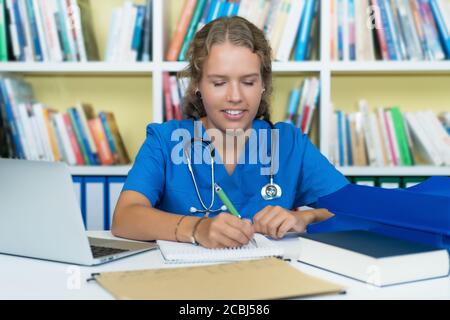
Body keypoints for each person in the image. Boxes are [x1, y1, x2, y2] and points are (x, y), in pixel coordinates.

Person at [112, 16, 349, 248]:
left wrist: (304, 219)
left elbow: (355, 211)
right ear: (197, 85)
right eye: (218, 83)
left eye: (248, 82)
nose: (235, 97)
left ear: (263, 84)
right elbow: (125, 218)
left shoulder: (289, 144)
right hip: (185, 282)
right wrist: (197, 229)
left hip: (268, 281)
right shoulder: (165, 141)